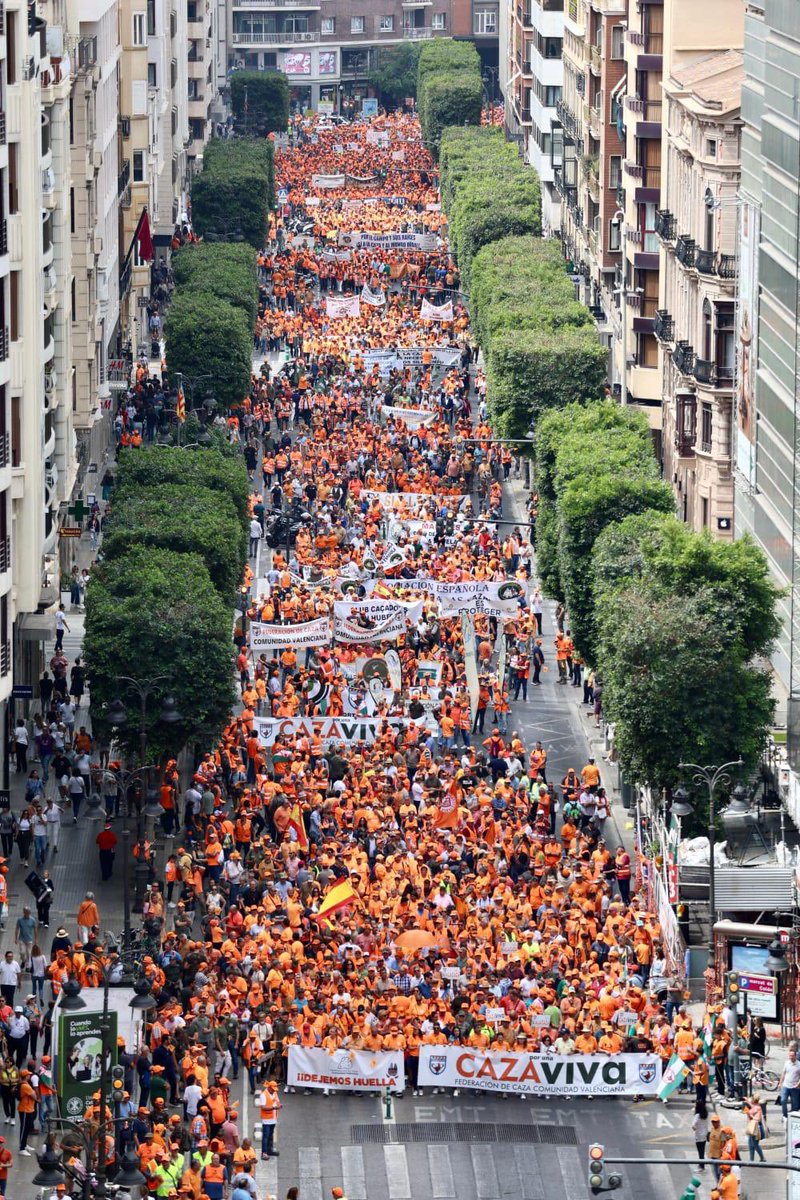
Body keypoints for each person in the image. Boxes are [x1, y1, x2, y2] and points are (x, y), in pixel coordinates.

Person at [256, 1081, 280, 1159]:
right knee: (266, 1136)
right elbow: (263, 1107)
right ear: (269, 1087)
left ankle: (269, 1150)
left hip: (273, 1118)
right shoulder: (263, 1095)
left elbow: (277, 1102)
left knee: (271, 1135)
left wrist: (279, 1105)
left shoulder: (275, 1093)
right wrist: (273, 1108)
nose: (274, 1090)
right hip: (266, 1119)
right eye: (273, 1089)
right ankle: (264, 1153)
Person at [779, 1044, 800, 1118]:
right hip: (786, 1085)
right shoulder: (786, 1063)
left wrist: (798, 1083)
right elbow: (783, 1073)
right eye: (789, 1056)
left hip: (795, 1087)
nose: (790, 1057)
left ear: (795, 1056)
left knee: (795, 1105)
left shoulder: (799, 1064)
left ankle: (793, 1118)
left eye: (792, 1056)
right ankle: (785, 1115)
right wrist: (780, 1083)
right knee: (783, 1100)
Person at [743, 1093, 766, 1162]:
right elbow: (753, 1106)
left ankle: (762, 1158)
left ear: (754, 1100)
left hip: (755, 1128)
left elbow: (757, 1119)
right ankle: (751, 1160)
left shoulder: (757, 1108)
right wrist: (747, 1101)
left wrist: (749, 1114)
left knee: (755, 1144)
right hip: (752, 1127)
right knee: (750, 1144)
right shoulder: (756, 1106)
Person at [691, 1098, 708, 1169]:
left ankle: (701, 1166)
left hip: (698, 1136)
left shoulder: (697, 1115)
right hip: (704, 1135)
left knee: (700, 1152)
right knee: (702, 1151)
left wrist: (695, 1129)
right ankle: (701, 1164)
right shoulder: (706, 1114)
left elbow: (693, 1126)